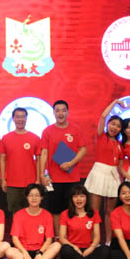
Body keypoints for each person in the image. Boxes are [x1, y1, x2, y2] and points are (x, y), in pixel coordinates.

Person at [39, 100, 87, 235]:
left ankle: (73, 237)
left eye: (63, 110)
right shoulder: (47, 131)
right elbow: (44, 153)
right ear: (54, 113)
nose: (61, 113)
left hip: (72, 178)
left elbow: (83, 149)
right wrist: (42, 174)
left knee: (73, 209)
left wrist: (71, 163)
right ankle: (59, 237)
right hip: (54, 179)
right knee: (56, 210)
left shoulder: (76, 129)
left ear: (67, 112)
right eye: (57, 110)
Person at [84, 99, 124, 245]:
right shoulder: (101, 136)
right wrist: (115, 102)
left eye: (118, 126)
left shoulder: (120, 145)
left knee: (110, 212)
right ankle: (93, 241)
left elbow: (120, 166)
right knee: (94, 211)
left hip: (113, 177)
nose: (115, 127)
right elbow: (103, 116)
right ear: (108, 124)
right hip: (99, 173)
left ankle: (108, 241)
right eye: (112, 124)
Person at [58, 185, 117, 259]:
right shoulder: (65, 214)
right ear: (71, 199)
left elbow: (97, 237)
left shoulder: (94, 213)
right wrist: (74, 247)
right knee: (65, 250)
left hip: (88, 249)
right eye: (75, 196)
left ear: (86, 198)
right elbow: (62, 238)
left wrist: (91, 248)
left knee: (106, 250)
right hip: (73, 249)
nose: (79, 199)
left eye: (82, 196)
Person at [5, 184, 61, 259]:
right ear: (27, 197)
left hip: (40, 251)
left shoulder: (47, 215)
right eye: (31, 195)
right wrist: (25, 253)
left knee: (57, 245)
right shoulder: (19, 215)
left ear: (42, 197)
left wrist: (40, 253)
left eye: (37, 195)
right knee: (9, 251)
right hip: (23, 252)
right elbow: (15, 238)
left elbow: (49, 239)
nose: (34, 198)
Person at [0, 107, 41, 215]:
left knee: (32, 212)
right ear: (13, 119)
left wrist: (38, 179)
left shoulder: (35, 138)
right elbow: (2, 159)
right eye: (17, 117)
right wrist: (3, 179)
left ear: (26, 118)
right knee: (16, 213)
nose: (20, 119)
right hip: (12, 183)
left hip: (30, 183)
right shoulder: (6, 138)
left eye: (23, 117)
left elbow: (39, 160)